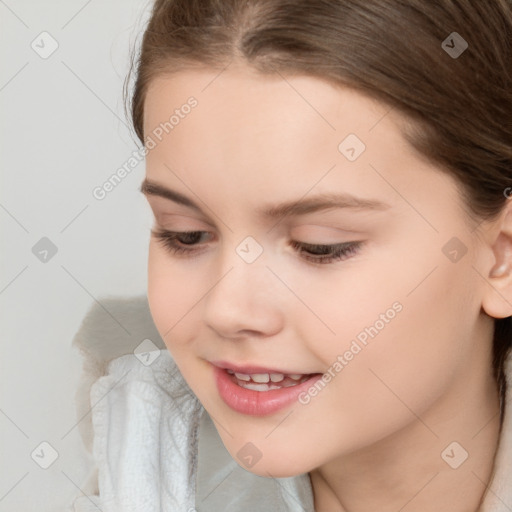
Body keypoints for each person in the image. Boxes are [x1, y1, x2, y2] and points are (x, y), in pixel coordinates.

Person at [69, 1, 512, 510]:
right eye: (185, 234)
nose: (226, 309)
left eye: (319, 247)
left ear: (501, 257)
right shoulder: (143, 459)